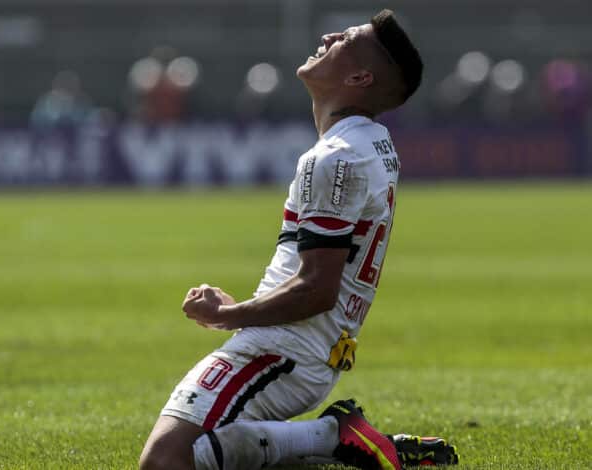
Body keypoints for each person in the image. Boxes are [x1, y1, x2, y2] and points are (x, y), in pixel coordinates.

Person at [140, 10, 459, 470]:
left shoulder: (334, 156)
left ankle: (332, 436)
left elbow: (316, 289)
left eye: (345, 39)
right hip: (311, 348)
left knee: (165, 463)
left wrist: (227, 315)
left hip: (282, 352)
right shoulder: (374, 142)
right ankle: (331, 443)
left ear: (359, 76)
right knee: (220, 453)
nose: (328, 37)